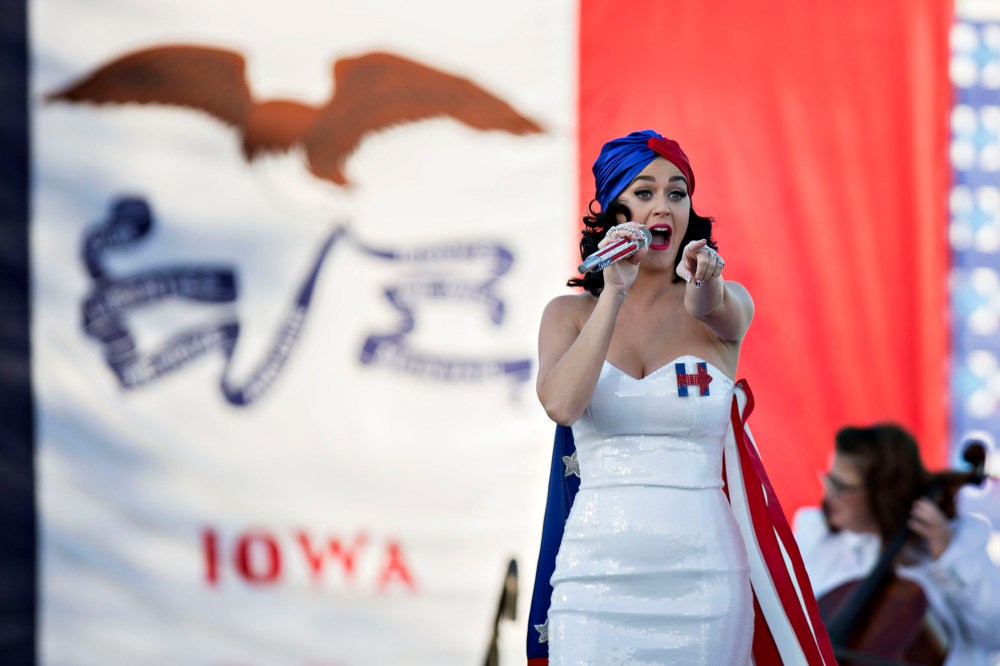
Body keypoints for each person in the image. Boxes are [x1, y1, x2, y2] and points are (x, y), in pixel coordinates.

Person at [525, 129, 835, 665]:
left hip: (705, 580)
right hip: (595, 577)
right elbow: (562, 406)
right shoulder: (567, 314)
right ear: (614, 209)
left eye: (677, 192)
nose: (662, 207)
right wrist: (614, 291)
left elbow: (711, 306)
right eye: (644, 194)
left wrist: (704, 279)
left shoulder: (722, 301)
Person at [794, 424, 1000, 666]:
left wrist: (948, 554)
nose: (829, 492)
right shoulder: (816, 535)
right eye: (830, 479)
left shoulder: (954, 540)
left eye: (842, 487)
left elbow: (995, 633)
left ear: (881, 492)